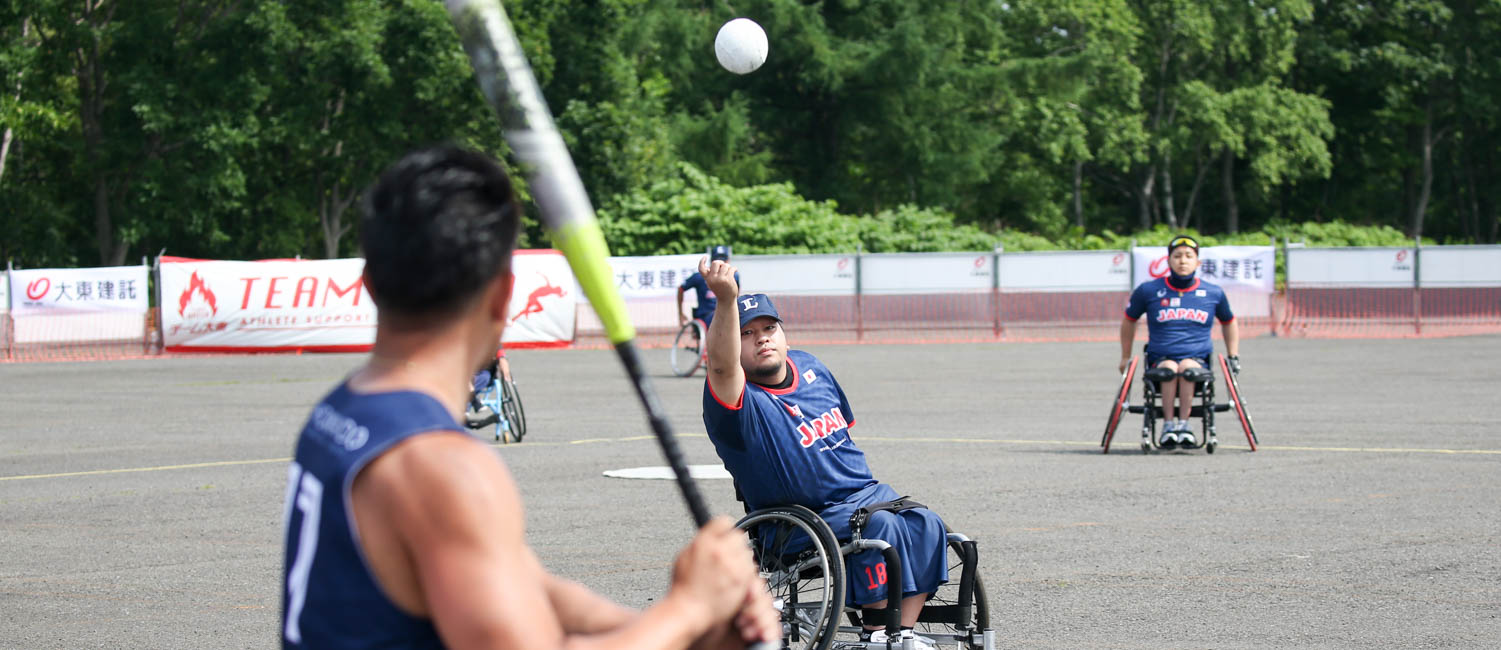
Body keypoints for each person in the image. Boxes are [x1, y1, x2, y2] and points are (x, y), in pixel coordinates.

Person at [280, 146, 779, 650]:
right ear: (502, 297)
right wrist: (688, 608)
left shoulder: (338, 410)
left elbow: (529, 589)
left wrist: (685, 628)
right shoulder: (440, 466)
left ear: (369, 283)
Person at [696, 256, 946, 649]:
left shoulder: (812, 367)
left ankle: (902, 634)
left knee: (926, 523)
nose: (762, 338)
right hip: (801, 521)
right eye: (747, 333)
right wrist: (726, 301)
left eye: (769, 328)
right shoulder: (737, 403)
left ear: (784, 335)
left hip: (865, 497)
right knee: (881, 530)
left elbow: (844, 433)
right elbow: (724, 368)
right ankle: (877, 632)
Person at [1119, 235, 1240, 449]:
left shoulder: (1213, 292)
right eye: (1177, 256)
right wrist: (1125, 356)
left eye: (1188, 256)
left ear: (1198, 262)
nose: (1182, 261)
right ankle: (1168, 426)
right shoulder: (1149, 290)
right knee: (1169, 369)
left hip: (1197, 359)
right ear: (1168, 261)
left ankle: (1184, 426)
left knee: (1186, 368)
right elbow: (1129, 320)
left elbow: (1229, 322)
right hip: (1160, 358)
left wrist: (1233, 355)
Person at [678, 245, 740, 329]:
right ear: (712, 261)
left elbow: (737, 294)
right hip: (706, 315)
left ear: (728, 261)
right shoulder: (700, 277)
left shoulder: (734, 275)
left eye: (723, 260)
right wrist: (680, 313)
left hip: (727, 313)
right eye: (717, 260)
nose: (721, 263)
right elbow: (681, 288)